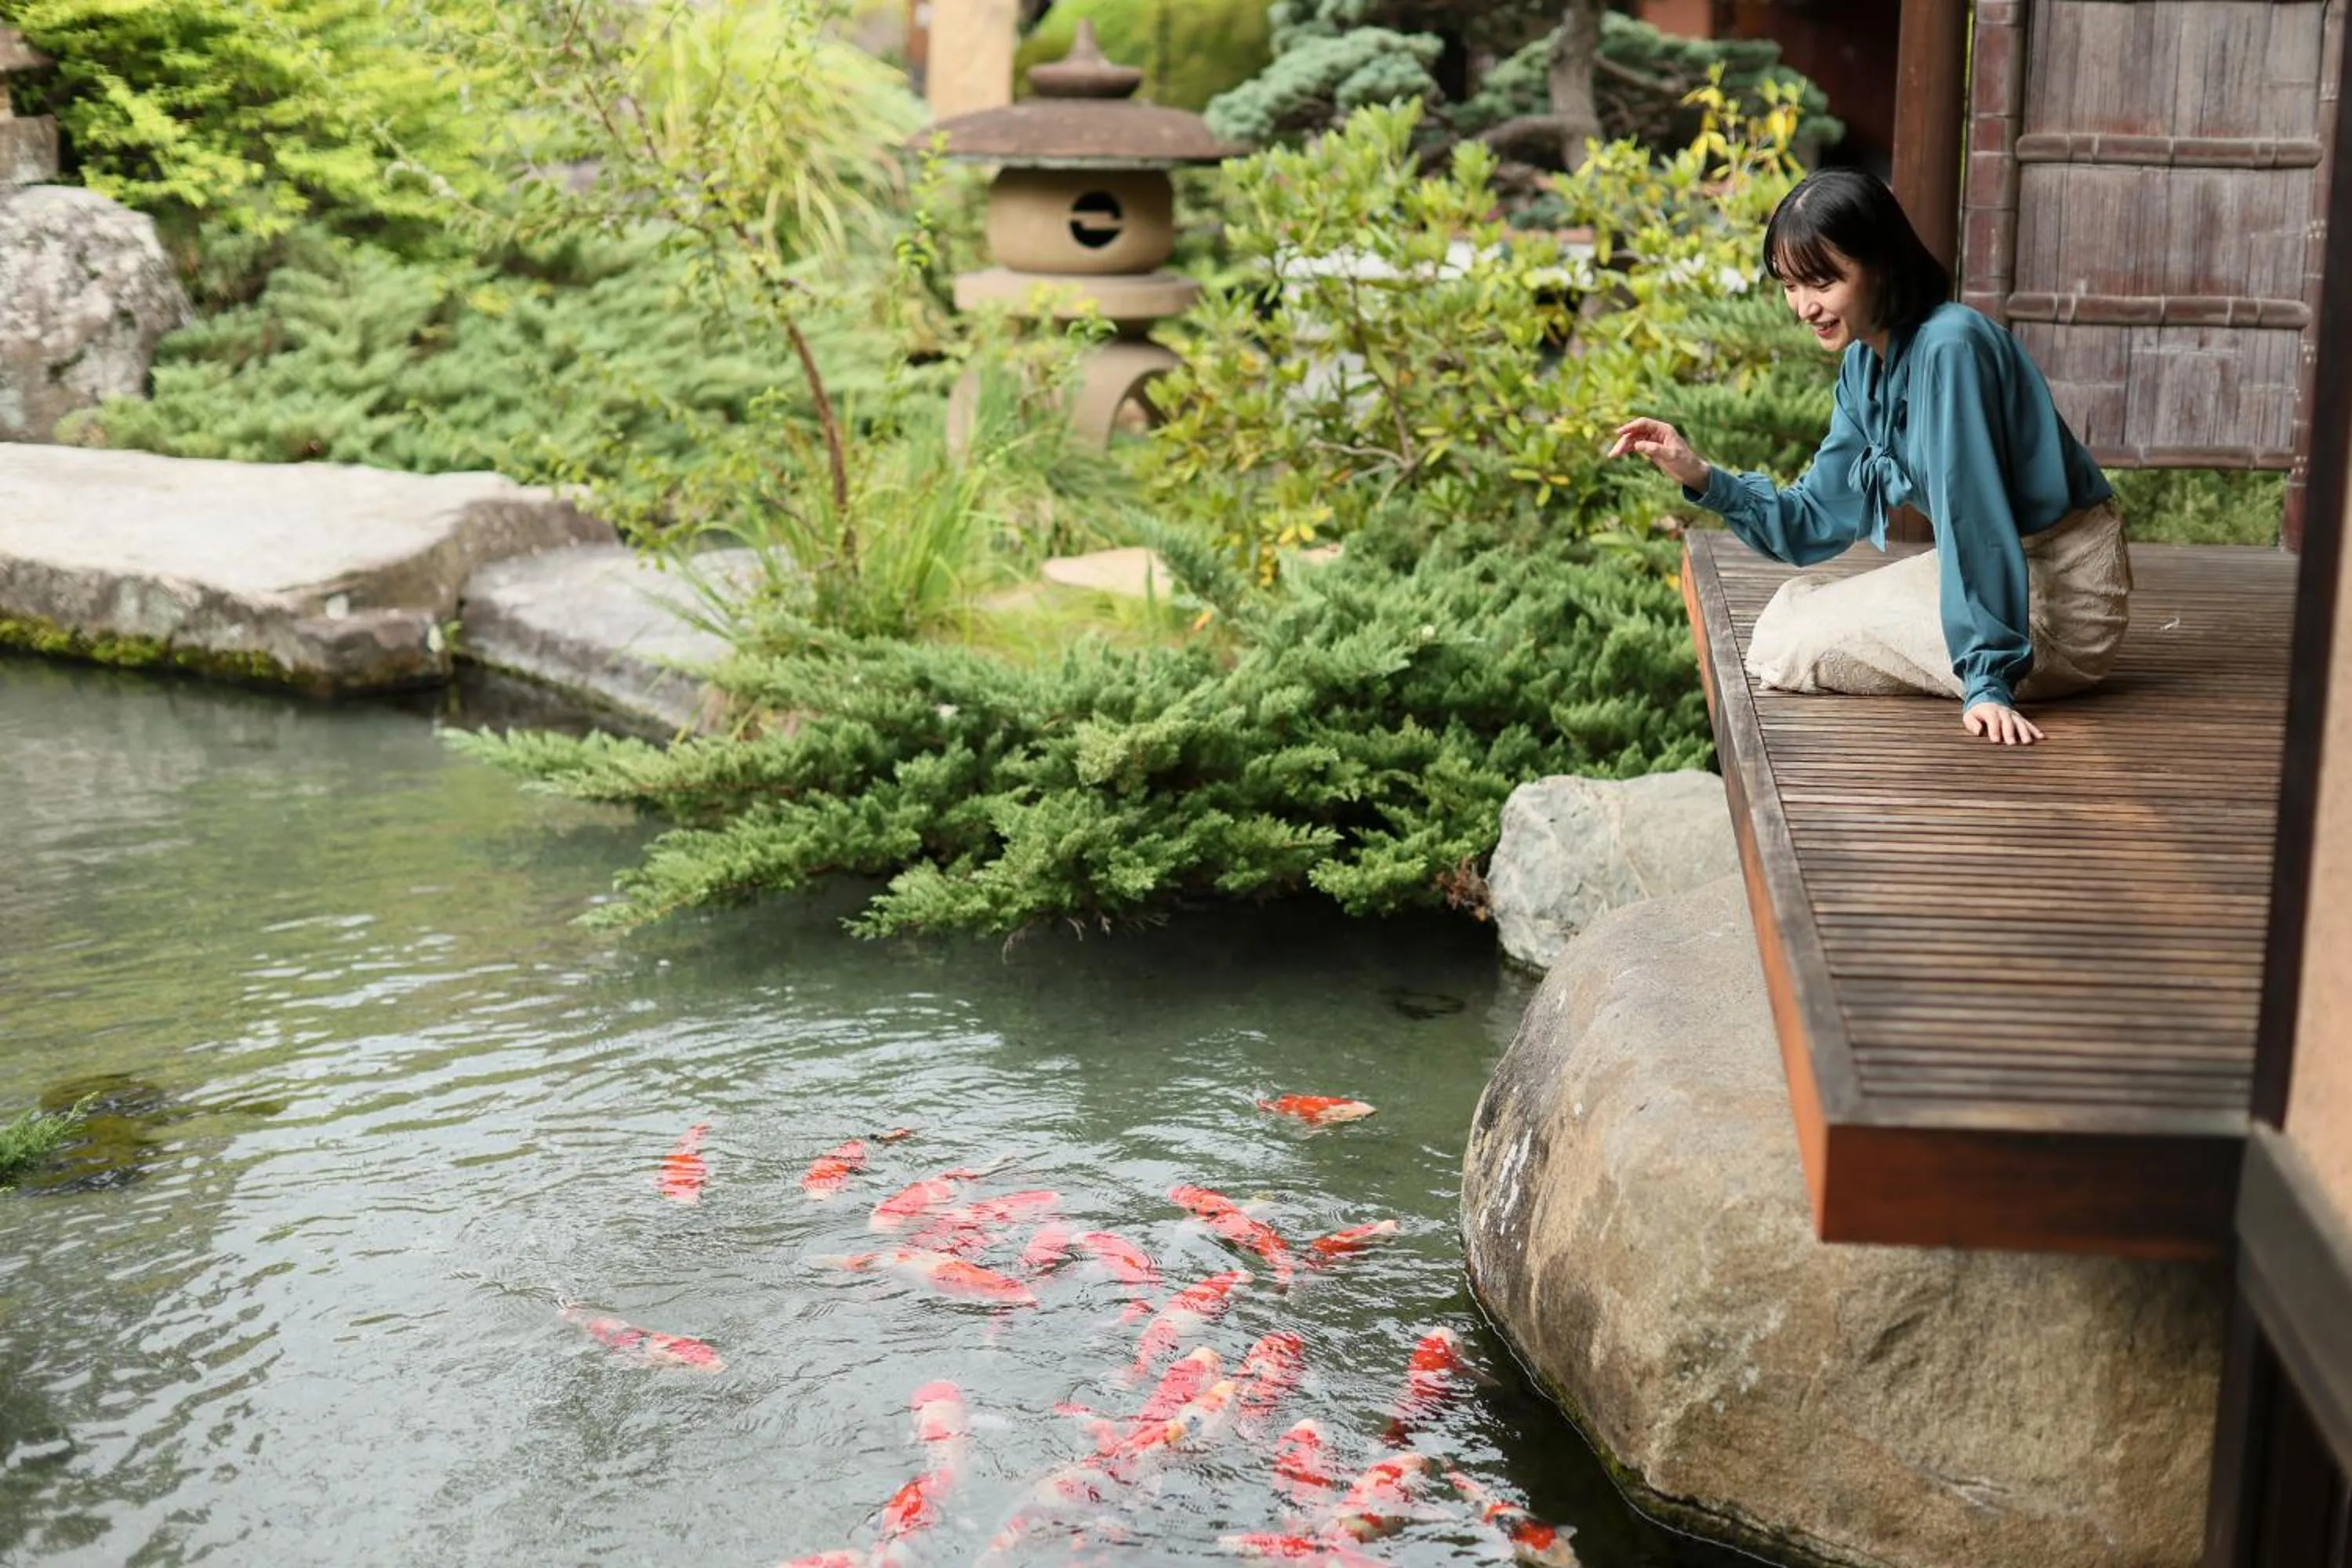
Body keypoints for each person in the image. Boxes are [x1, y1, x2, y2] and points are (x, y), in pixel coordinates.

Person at [1606, 167, 2129, 746]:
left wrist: (1988, 681)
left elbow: (1973, 518)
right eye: (1789, 285)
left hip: (2065, 599)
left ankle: (1989, 660)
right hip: (1993, 572)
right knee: (1785, 623)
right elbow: (1812, 522)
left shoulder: (1950, 347)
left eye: (1822, 282)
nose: (1804, 307)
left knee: (1792, 645)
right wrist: (1698, 473)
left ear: (1881, 263)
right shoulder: (1865, 367)